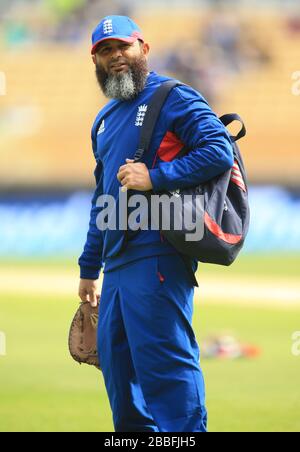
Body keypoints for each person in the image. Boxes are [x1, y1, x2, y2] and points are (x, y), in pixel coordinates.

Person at [78, 15, 233, 432]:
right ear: (97, 61)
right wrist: (89, 269)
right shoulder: (105, 120)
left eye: (122, 47)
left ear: (143, 49)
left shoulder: (172, 96)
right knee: (120, 374)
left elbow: (219, 149)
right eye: (105, 51)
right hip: (118, 262)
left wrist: (156, 177)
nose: (115, 57)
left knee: (166, 365)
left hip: (159, 250)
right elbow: (103, 199)